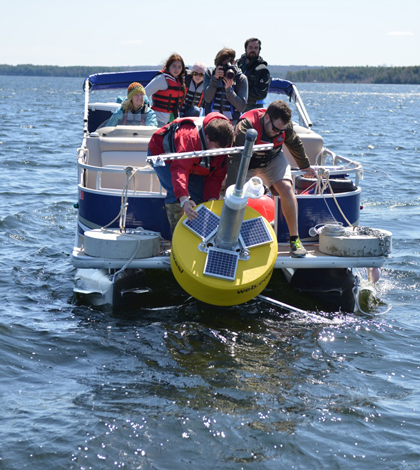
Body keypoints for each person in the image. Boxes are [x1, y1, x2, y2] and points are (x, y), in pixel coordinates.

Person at [226, 100, 316, 258]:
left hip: (272, 159)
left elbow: (295, 144)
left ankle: (294, 240)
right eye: (275, 128)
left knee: (287, 190)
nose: (277, 132)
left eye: (281, 130)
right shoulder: (246, 127)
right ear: (266, 117)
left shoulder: (283, 127)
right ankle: (227, 236)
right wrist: (234, 188)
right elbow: (235, 159)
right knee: (231, 193)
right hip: (247, 162)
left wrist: (305, 166)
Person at [148, 112, 234, 234]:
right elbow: (180, 169)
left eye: (223, 150)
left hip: (195, 164)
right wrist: (184, 200)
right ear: (207, 137)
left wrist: (211, 200)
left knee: (200, 199)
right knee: (175, 192)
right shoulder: (189, 138)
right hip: (163, 155)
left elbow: (216, 177)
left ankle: (198, 237)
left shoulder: (225, 143)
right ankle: (176, 236)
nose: (219, 153)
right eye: (216, 149)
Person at [203, 48, 248, 125]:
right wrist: (214, 80)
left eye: (228, 65)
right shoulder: (210, 74)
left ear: (233, 62)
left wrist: (229, 89)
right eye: (222, 66)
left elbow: (241, 107)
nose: (225, 69)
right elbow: (207, 98)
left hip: (231, 123)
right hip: (211, 121)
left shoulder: (241, 78)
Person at [145, 53, 186, 127]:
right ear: (168, 66)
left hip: (172, 120)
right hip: (158, 119)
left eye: (179, 67)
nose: (177, 69)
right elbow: (145, 93)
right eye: (174, 66)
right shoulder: (162, 78)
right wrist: (147, 112)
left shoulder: (179, 81)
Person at [237, 37, 271, 112]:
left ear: (259, 50)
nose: (253, 50)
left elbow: (261, 93)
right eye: (250, 47)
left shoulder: (262, 70)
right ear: (245, 49)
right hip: (234, 106)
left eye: (256, 48)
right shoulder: (237, 65)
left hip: (252, 109)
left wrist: (240, 94)